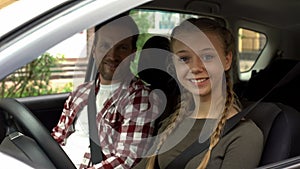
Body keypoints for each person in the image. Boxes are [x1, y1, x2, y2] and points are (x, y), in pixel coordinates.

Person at [134, 18, 263, 169]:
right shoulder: (171, 124)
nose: (195, 67)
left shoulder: (244, 135)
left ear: (227, 60)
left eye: (207, 57)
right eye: (184, 58)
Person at [51, 14, 161, 169]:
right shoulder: (81, 92)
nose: (112, 55)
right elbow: (58, 137)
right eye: (105, 46)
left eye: (122, 47)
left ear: (133, 53)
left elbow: (126, 161)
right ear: (94, 51)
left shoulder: (140, 98)